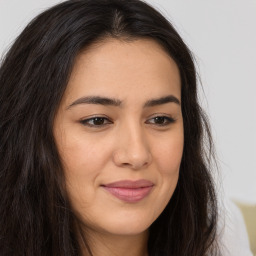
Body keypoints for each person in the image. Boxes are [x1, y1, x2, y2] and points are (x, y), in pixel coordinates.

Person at [0, 0, 220, 255]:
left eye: (160, 119)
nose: (136, 155)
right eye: (97, 120)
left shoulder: (228, 242)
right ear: (29, 133)